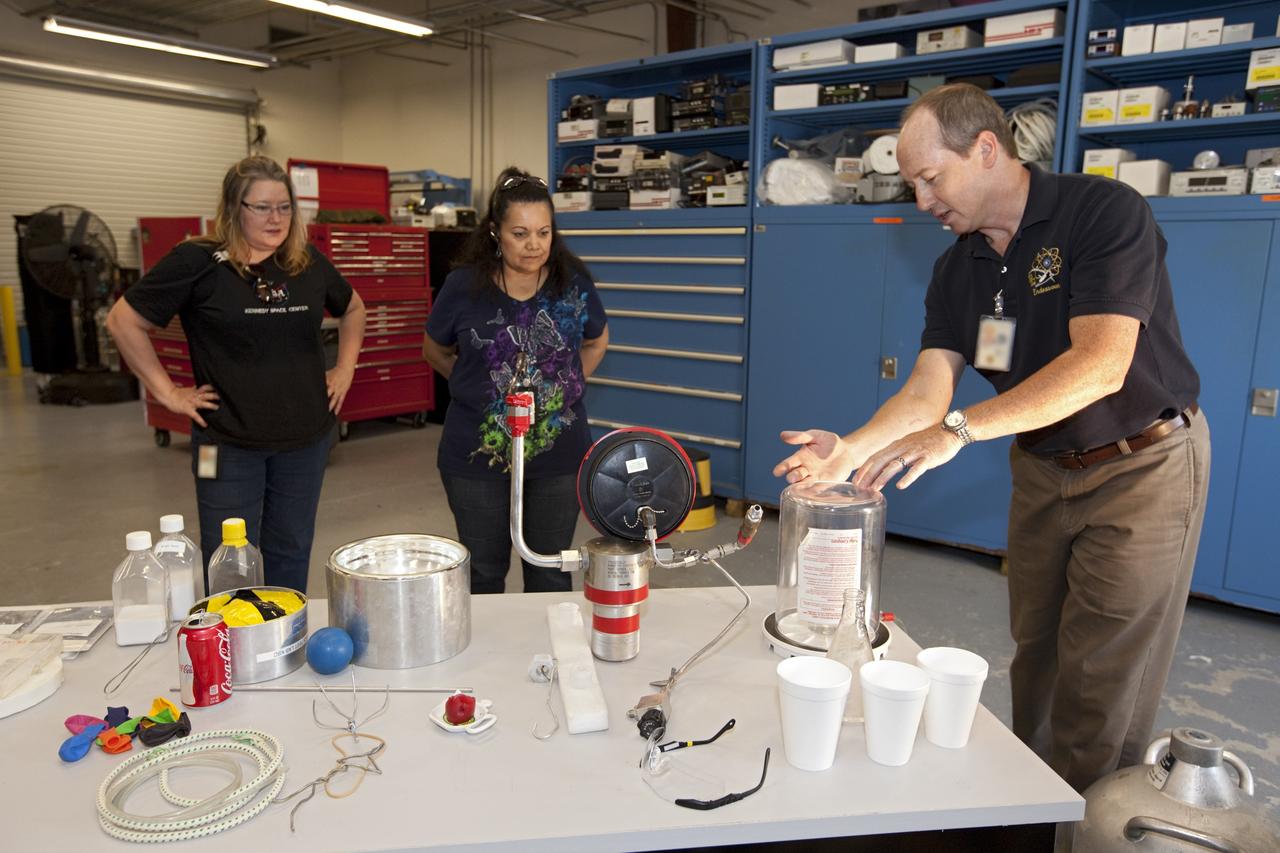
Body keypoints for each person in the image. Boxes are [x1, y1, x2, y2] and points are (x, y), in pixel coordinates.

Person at [773, 84, 1210, 792]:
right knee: (1035, 657)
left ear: (984, 151)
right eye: (912, 183)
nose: (921, 200)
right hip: (1042, 466)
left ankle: (1086, 826)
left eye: (929, 178)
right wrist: (849, 449)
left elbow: (1101, 364)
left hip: (1140, 466)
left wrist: (960, 430)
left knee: (1103, 680)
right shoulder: (957, 269)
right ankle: (1033, 811)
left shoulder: (1101, 212)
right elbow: (926, 390)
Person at [107, 155, 366, 594]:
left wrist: (344, 368)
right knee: (228, 559)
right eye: (261, 207)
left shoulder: (305, 261)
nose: (276, 218)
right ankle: (233, 652)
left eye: (284, 206)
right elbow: (122, 321)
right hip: (224, 443)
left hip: (304, 440)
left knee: (291, 549)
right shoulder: (197, 261)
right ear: (233, 208)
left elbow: (353, 307)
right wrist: (168, 393)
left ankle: (282, 640)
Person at [424, 167, 608, 594]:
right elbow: (433, 349)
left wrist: (565, 389)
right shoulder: (462, 287)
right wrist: (477, 390)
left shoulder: (572, 286)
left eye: (543, 233)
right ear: (495, 232)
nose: (534, 245)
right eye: (520, 233)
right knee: (483, 574)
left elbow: (597, 341)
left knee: (549, 571)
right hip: (477, 453)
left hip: (558, 453)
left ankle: (547, 660)